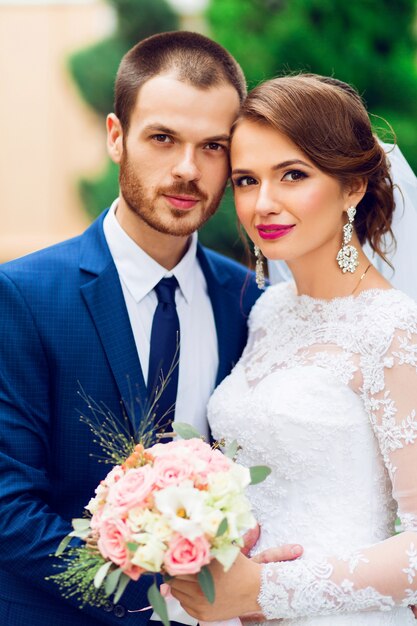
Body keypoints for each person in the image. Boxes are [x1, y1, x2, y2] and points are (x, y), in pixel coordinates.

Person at [0, 32, 300, 626]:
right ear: (117, 136)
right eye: (162, 138)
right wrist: (161, 600)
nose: (187, 170)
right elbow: (9, 506)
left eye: (212, 146)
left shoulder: (250, 301)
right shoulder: (24, 294)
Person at [169, 74, 417, 624]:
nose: (264, 204)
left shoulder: (394, 329)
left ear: (353, 186)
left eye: (293, 175)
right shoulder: (268, 312)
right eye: (245, 180)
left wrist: (267, 589)